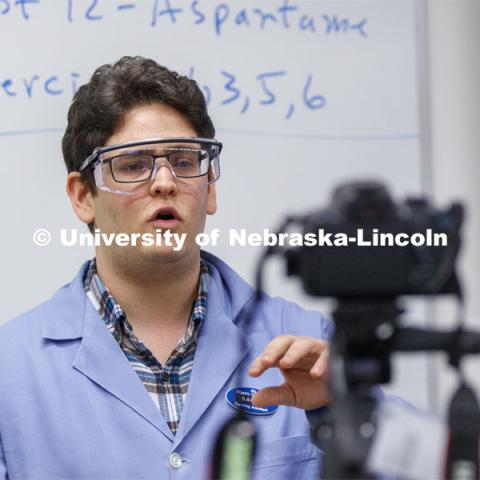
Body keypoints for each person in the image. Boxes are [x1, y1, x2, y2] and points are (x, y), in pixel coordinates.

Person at [0, 56, 332, 479]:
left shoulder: (306, 343)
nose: (164, 182)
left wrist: (338, 411)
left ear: (209, 188)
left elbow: (430, 461)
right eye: (133, 165)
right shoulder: (9, 368)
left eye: (185, 161)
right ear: (82, 196)